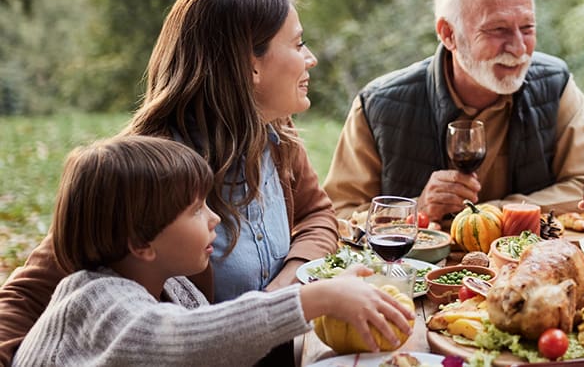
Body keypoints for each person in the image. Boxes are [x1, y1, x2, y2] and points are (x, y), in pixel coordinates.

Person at [0, 0, 349, 366]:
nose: (311, 58)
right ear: (250, 65)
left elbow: (318, 214)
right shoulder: (149, 170)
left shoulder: (273, 134)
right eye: (299, 43)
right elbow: (27, 296)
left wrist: (288, 284)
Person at [12, 136, 414, 367]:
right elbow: (193, 339)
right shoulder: (96, 302)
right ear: (140, 243)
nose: (214, 220)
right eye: (196, 210)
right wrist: (316, 297)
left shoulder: (174, 286)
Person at [323, 0, 584, 223]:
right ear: (448, 34)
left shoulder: (555, 84)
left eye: (527, 28)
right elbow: (338, 214)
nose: (520, 48)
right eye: (498, 30)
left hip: (528, 269)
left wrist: (492, 214)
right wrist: (417, 208)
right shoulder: (379, 105)